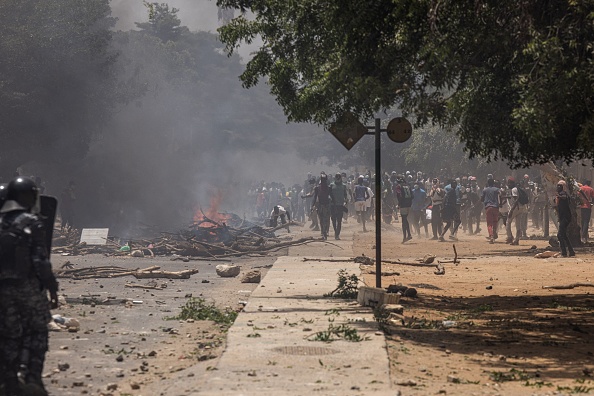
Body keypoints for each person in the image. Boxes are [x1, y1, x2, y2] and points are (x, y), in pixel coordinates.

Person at [0, 177, 59, 396]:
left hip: (2, 290)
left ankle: (8, 380)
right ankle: (33, 378)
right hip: (27, 287)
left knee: (8, 334)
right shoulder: (30, 222)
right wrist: (51, 287)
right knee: (37, 331)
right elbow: (40, 261)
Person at [505, 178, 528, 245]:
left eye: (509, 183)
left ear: (512, 183)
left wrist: (512, 210)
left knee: (508, 222)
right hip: (521, 208)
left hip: (516, 208)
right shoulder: (517, 189)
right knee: (518, 225)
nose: (508, 184)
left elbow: (516, 199)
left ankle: (510, 237)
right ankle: (517, 240)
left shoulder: (513, 189)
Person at [555, 180, 576, 257]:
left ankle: (564, 253)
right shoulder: (560, 194)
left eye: (560, 185)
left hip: (566, 217)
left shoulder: (564, 194)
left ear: (563, 187)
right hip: (562, 217)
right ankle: (571, 251)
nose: (558, 187)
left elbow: (564, 197)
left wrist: (558, 196)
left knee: (560, 235)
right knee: (563, 234)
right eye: (558, 185)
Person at [310, 172, 332, 240]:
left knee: (327, 219)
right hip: (320, 205)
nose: (323, 181)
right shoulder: (317, 188)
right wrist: (312, 205)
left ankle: (326, 231)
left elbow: (332, 196)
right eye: (322, 180)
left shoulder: (328, 188)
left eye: (324, 180)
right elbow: (315, 197)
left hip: (327, 205)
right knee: (321, 219)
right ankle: (323, 231)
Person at [481, 178, 501, 244]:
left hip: (488, 207)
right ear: (494, 183)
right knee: (495, 222)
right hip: (495, 207)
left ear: (487, 183)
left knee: (489, 223)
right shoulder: (497, 189)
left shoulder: (485, 190)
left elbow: (482, 199)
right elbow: (500, 195)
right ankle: (494, 233)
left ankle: (491, 236)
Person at [394, 175, 413, 243]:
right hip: (409, 205)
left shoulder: (399, 186)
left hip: (403, 205)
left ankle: (405, 236)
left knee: (403, 221)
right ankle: (409, 234)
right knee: (405, 219)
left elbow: (399, 196)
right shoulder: (408, 186)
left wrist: (399, 204)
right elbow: (412, 196)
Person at [329, 173, 348, 240]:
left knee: (339, 221)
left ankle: (337, 234)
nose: (338, 178)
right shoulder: (331, 185)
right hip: (332, 205)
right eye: (336, 177)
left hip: (340, 205)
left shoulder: (344, 186)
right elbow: (329, 194)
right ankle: (335, 232)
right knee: (333, 220)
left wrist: (346, 201)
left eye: (339, 177)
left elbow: (345, 195)